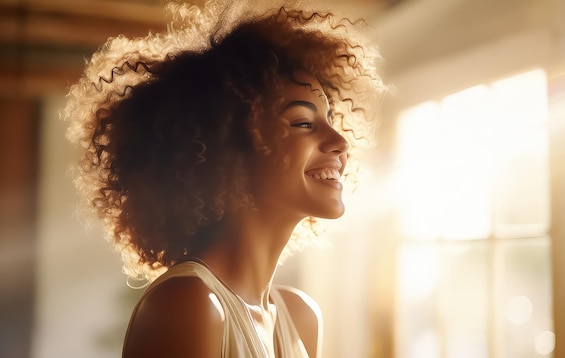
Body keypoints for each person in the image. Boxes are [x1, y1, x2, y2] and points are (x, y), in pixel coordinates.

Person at [64, 1, 385, 357]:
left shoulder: (301, 315)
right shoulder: (188, 305)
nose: (340, 143)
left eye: (330, 119)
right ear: (229, 151)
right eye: (302, 123)